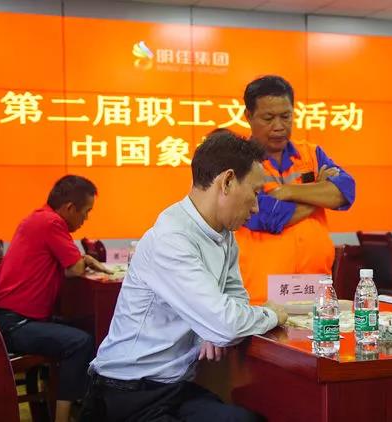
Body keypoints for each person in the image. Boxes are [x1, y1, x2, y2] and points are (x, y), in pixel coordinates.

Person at [82, 129, 288, 422]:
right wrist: (271, 314)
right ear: (227, 181)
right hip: (127, 392)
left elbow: (233, 305)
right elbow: (226, 324)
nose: (256, 207)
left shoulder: (225, 235)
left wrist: (212, 327)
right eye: (255, 192)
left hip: (172, 387)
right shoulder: (172, 238)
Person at [0, 175, 111, 422]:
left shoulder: (38, 218)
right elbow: (74, 268)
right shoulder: (52, 222)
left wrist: (81, 261)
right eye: (86, 212)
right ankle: (63, 417)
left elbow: (69, 268)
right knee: (80, 342)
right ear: (70, 208)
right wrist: (86, 260)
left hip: (8, 319)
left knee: (86, 329)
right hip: (14, 324)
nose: (86, 218)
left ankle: (82, 406)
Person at [234, 75, 356, 304]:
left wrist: (288, 192)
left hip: (314, 291)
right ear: (248, 116)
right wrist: (318, 192)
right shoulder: (240, 161)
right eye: (268, 118)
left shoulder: (311, 154)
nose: (279, 126)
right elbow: (268, 215)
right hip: (261, 297)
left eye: (286, 116)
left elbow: (345, 192)